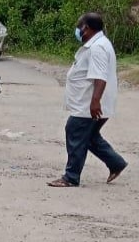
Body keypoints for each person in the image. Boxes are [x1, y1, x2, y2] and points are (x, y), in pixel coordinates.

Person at [48, 13, 128, 187]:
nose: (78, 30)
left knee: (75, 132)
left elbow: (100, 77)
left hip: (89, 105)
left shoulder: (97, 47)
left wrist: (95, 101)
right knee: (89, 137)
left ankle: (71, 177)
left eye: (79, 26)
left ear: (86, 28)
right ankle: (116, 163)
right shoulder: (98, 44)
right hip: (91, 103)